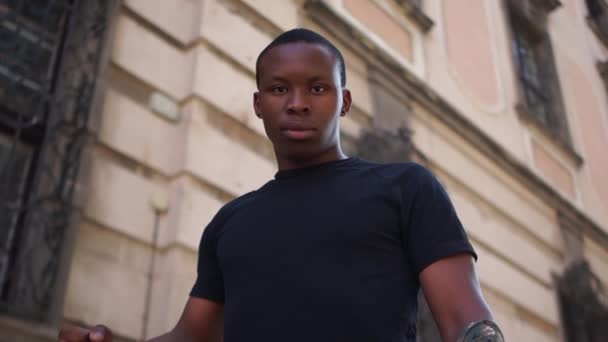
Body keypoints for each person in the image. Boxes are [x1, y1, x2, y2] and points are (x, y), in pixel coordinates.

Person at [58, 28, 504, 342]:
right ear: (258, 104)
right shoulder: (229, 223)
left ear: (344, 102)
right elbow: (191, 336)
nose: (296, 104)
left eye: (316, 89)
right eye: (278, 90)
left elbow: (465, 318)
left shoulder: (406, 188)